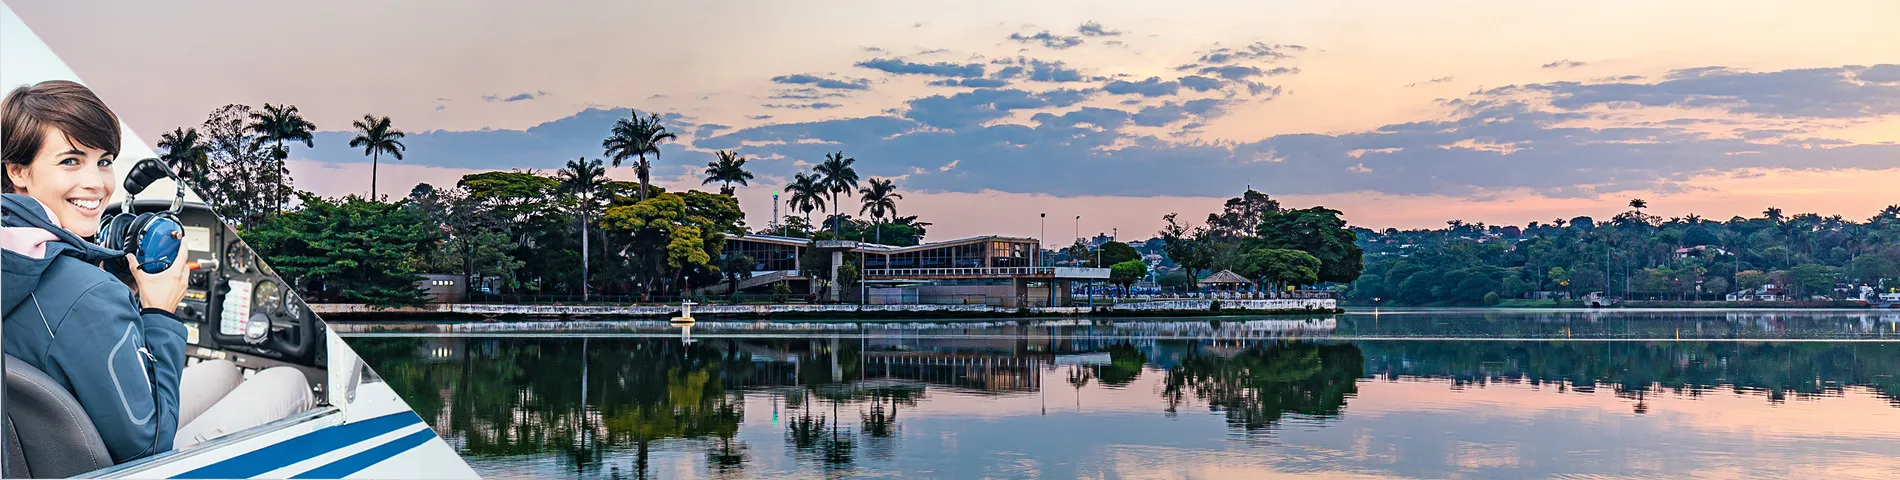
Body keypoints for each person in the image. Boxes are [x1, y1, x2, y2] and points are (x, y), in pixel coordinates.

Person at [1, 80, 309, 465]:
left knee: (224, 372)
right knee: (289, 381)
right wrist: (159, 311)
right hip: (126, 465)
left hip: (47, 455)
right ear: (18, 170)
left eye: (104, 161)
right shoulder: (89, 297)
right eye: (70, 161)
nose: (96, 184)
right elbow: (149, 450)